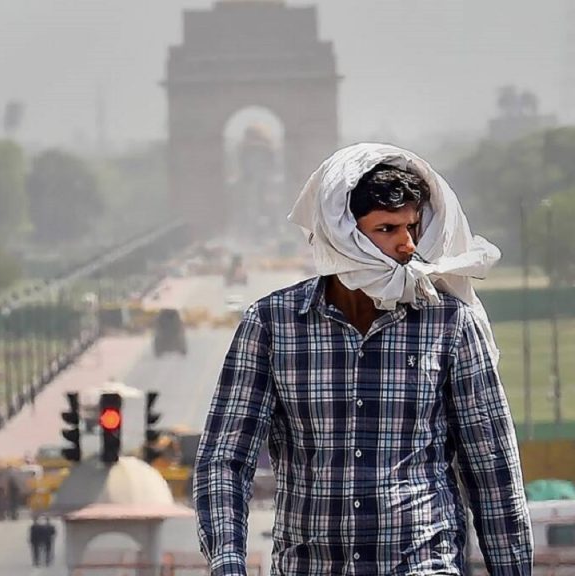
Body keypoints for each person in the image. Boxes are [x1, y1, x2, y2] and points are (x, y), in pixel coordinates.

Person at [193, 143, 532, 575]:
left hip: (423, 563)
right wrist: (228, 562)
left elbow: (492, 469)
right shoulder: (273, 325)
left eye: (411, 227)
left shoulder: (450, 325)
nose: (407, 246)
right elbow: (226, 459)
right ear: (343, 234)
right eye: (387, 229)